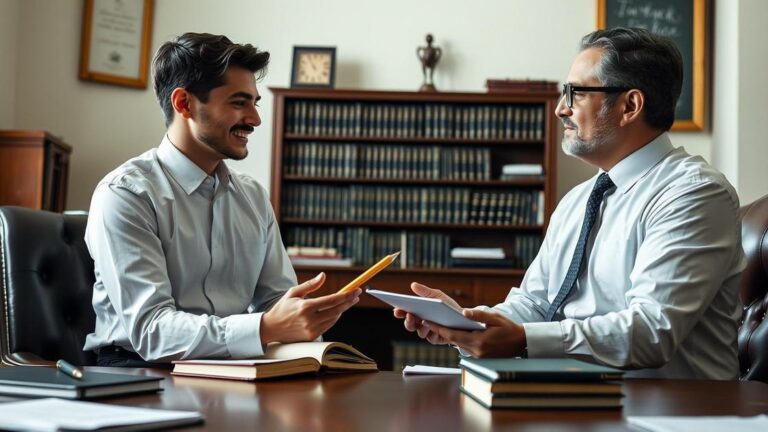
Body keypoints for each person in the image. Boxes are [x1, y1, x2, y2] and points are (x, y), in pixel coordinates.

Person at [395, 27, 745, 379]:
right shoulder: (580, 199)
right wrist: (468, 323)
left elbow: (651, 331)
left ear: (630, 106)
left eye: (575, 93)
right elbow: (536, 303)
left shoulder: (693, 194)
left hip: (675, 412)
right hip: (580, 400)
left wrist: (522, 340)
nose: (561, 108)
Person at [84, 33, 361, 367]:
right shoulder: (126, 194)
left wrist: (305, 321)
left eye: (255, 103)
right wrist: (265, 327)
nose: (255, 119)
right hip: (137, 372)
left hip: (229, 366)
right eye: (238, 102)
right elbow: (151, 330)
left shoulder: (254, 197)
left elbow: (275, 302)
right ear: (184, 103)